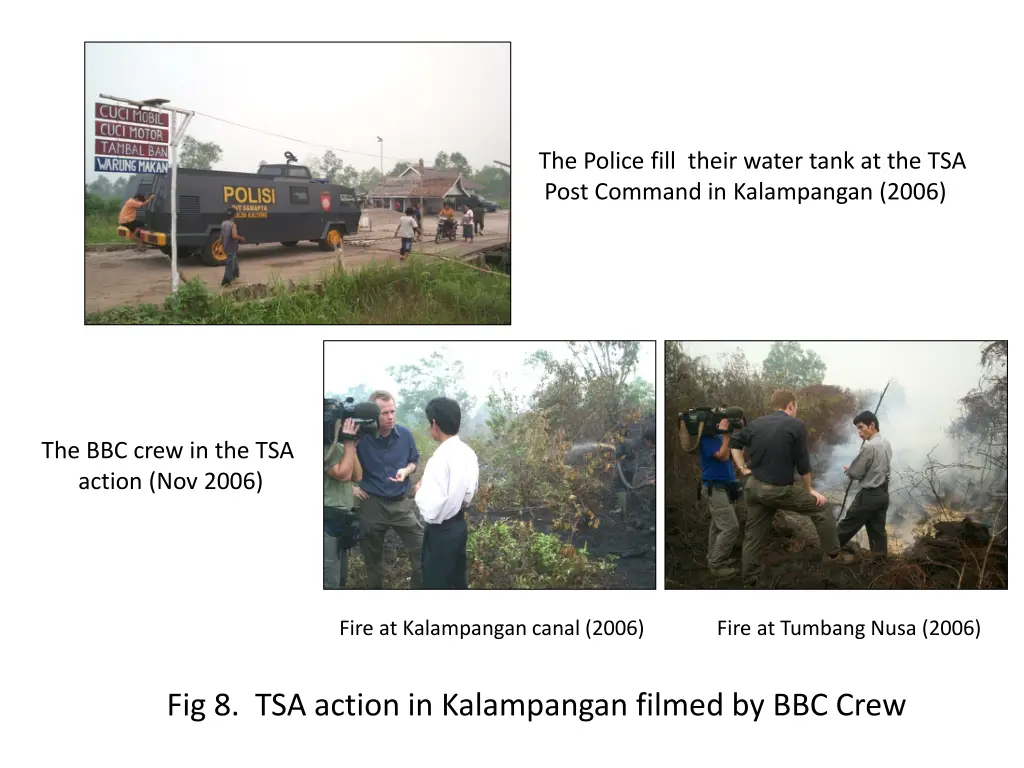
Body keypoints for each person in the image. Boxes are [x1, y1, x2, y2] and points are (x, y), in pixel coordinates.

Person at [729, 389, 856, 585]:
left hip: (753, 487)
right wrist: (810, 490)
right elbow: (803, 463)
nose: (796, 410)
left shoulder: (757, 423)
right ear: (791, 405)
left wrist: (742, 467)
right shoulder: (796, 425)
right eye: (795, 406)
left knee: (754, 536)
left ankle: (750, 580)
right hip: (776, 489)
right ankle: (833, 557)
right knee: (821, 507)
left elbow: (734, 441)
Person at [354, 391, 423, 589]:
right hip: (372, 504)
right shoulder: (360, 438)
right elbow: (340, 463)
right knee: (372, 563)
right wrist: (351, 488)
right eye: (384, 413)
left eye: (392, 411)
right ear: (373, 416)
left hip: (401, 504)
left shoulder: (405, 435)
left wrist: (406, 470)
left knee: (422, 550)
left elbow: (414, 462)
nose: (390, 416)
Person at [414, 397, 479, 589]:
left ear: (434, 423)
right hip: (459, 526)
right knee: (457, 581)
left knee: (436, 583)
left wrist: (420, 491)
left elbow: (433, 507)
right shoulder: (468, 452)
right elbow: (469, 492)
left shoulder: (440, 458)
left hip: (441, 531)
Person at [838, 410, 892, 555]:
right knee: (877, 532)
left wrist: (849, 470)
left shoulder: (869, 447)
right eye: (857, 428)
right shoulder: (886, 443)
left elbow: (855, 473)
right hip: (883, 495)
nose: (859, 432)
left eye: (861, 427)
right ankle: (879, 564)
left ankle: (826, 554)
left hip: (869, 496)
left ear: (872, 425)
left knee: (846, 526)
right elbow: (878, 468)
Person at [324, 417, 362, 589]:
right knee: (329, 578)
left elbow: (357, 476)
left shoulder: (340, 447)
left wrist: (351, 445)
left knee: (341, 577)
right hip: (327, 520)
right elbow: (343, 474)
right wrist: (348, 441)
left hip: (342, 519)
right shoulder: (325, 449)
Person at [700, 418, 740, 578]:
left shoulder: (719, 438)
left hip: (723, 487)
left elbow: (731, 456)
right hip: (714, 487)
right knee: (730, 527)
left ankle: (714, 557)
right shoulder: (706, 439)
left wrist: (730, 436)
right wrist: (725, 437)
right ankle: (716, 565)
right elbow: (722, 456)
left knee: (717, 526)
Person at [220, 207, 246, 286]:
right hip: (231, 247)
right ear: (234, 215)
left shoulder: (223, 223)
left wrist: (222, 246)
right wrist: (241, 238)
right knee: (230, 264)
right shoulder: (233, 224)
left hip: (226, 247)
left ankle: (234, 277)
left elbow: (221, 237)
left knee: (234, 262)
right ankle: (226, 282)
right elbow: (234, 236)